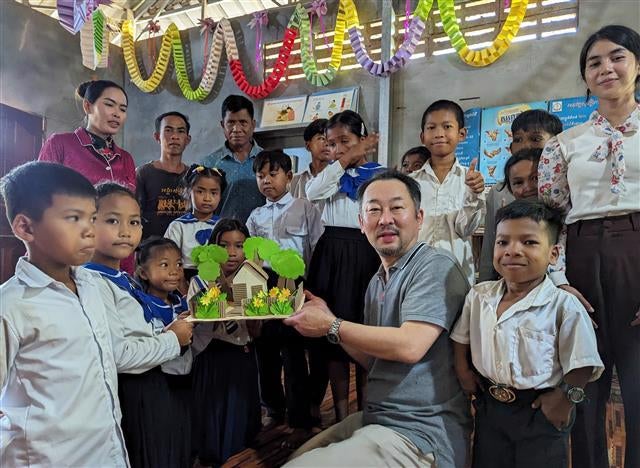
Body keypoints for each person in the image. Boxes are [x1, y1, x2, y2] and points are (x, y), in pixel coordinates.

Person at [284, 170, 471, 468]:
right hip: (378, 417)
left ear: (419, 218)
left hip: (422, 432)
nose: (385, 219)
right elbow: (374, 360)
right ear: (361, 223)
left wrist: (332, 325)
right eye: (374, 210)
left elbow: (410, 346)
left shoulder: (434, 265)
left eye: (397, 207)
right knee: (297, 457)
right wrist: (330, 322)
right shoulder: (377, 282)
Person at [538, 24, 640, 468]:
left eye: (617, 57)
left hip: (637, 255)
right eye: (594, 62)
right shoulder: (564, 145)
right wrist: (559, 279)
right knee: (584, 379)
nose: (606, 69)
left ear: (637, 65)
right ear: (584, 76)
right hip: (581, 258)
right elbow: (552, 218)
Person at [451, 200, 604, 468]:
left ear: (553, 254)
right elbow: (461, 338)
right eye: (503, 242)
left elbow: (583, 361)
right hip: (490, 406)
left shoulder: (564, 306)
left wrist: (565, 399)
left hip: (540, 409)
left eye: (529, 242)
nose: (513, 251)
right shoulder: (479, 296)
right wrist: (463, 372)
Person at [0, 162, 130, 466]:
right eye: (73, 218)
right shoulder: (12, 305)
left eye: (93, 218)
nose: (90, 230)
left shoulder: (93, 285)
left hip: (106, 453)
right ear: (25, 227)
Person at [85, 183, 193, 468]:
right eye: (112, 221)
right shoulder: (93, 283)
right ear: (87, 223)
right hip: (134, 388)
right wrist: (173, 339)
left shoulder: (121, 278)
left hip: (151, 380)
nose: (125, 231)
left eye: (134, 222)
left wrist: (172, 329)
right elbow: (118, 355)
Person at [304, 110, 383, 423]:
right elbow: (312, 193)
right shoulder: (330, 176)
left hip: (367, 255)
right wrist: (343, 161)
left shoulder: (381, 175)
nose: (337, 149)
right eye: (332, 143)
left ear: (362, 140)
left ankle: (365, 413)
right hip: (331, 257)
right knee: (332, 338)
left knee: (364, 333)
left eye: (346, 142)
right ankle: (340, 417)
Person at [246, 150, 324, 442]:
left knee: (293, 352)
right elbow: (251, 258)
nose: (266, 180)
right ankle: (273, 410)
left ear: (289, 177)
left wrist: (309, 287)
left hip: (294, 283)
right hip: (264, 284)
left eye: (273, 174)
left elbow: (316, 248)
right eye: (260, 176)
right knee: (264, 351)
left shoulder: (306, 209)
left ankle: (299, 418)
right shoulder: (255, 216)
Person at [188, 219, 262, 467]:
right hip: (214, 356)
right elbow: (201, 323)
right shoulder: (200, 282)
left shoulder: (252, 281)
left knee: (241, 408)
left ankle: (242, 442)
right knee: (214, 412)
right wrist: (221, 292)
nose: (231, 253)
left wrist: (254, 315)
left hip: (243, 354)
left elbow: (256, 332)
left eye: (239, 246)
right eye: (224, 245)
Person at [478, 109, 562, 282]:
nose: (525, 146)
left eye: (535, 139)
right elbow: (490, 246)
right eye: (518, 139)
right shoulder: (499, 192)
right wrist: (486, 285)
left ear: (556, 143)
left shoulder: (567, 186)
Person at [410, 100, 485, 286]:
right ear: (422, 136)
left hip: (456, 272)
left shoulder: (472, 180)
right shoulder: (410, 182)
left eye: (447, 126)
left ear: (461, 134)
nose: (439, 134)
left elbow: (466, 229)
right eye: (431, 127)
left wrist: (473, 195)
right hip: (415, 271)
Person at [38, 80, 136, 191]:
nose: (117, 114)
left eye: (123, 109)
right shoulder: (59, 144)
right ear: (87, 106)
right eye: (109, 104)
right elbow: (40, 193)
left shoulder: (126, 159)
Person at [201, 95, 264, 222]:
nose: (236, 129)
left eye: (243, 122)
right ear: (222, 125)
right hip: (220, 233)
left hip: (260, 232)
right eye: (231, 123)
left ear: (253, 125)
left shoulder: (267, 161)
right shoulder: (209, 163)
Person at [164, 165, 226, 281]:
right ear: (189, 191)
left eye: (213, 193)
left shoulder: (223, 226)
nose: (207, 198)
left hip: (218, 280)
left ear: (220, 195)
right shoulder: (178, 226)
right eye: (200, 191)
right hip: (183, 278)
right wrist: (183, 286)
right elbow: (168, 258)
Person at [136, 112, 191, 239]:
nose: (174, 136)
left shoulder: (193, 176)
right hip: (150, 247)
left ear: (187, 139)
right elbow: (134, 215)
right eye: (168, 130)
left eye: (180, 131)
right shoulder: (143, 173)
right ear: (157, 137)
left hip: (185, 247)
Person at [290, 119, 332, 208]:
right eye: (321, 138)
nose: (327, 143)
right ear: (308, 145)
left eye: (330, 139)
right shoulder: (294, 181)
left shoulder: (340, 178)